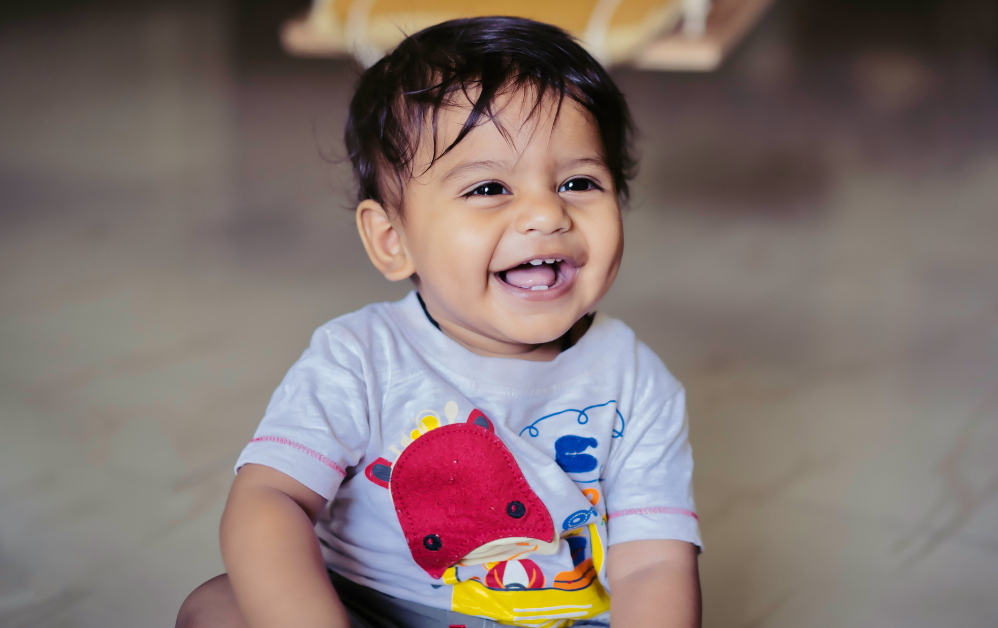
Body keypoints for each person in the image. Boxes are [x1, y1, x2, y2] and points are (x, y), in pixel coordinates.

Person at [177, 16, 701, 628]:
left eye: (579, 181)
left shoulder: (636, 380)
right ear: (392, 239)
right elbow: (270, 499)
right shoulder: (359, 357)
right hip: (366, 610)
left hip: (547, 617)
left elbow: (653, 565)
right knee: (217, 608)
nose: (545, 213)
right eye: (488, 188)